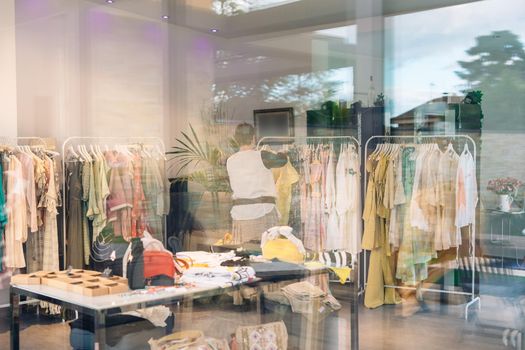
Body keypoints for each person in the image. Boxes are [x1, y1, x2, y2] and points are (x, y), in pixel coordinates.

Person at [226, 123, 287, 244]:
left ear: (236, 139)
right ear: (253, 137)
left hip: (240, 215)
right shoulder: (262, 156)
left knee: (243, 254)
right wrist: (282, 152)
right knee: (267, 252)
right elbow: (282, 161)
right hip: (262, 212)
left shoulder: (230, 160)